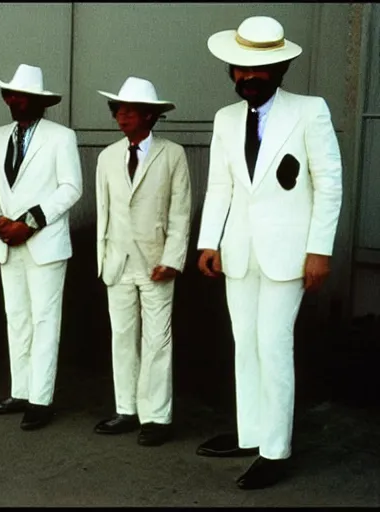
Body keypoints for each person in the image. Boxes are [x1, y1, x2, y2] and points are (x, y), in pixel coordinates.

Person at [196, 16, 342, 489]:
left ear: (281, 69)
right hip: (239, 249)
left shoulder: (309, 110)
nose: (247, 77)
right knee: (245, 343)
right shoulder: (225, 118)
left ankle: (275, 450)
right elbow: (220, 185)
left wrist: (319, 250)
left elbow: (329, 184)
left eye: (258, 70)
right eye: (240, 69)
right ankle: (250, 433)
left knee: (273, 345)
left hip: (288, 252)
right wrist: (208, 241)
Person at [0, 64, 82, 431]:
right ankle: (19, 391)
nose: (15, 101)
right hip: (7, 241)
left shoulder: (61, 137)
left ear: (40, 102)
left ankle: (41, 399)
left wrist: (30, 223)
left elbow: (71, 188)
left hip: (44, 243)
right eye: (10, 95)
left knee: (44, 320)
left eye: (23, 96)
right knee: (18, 319)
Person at [94, 76, 192, 446]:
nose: (121, 116)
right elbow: (104, 210)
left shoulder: (173, 154)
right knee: (122, 336)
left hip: (156, 263)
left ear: (150, 116)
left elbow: (181, 212)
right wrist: (103, 257)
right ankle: (126, 409)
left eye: (129, 110)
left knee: (157, 340)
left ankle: (157, 416)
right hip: (117, 261)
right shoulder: (106, 157)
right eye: (117, 109)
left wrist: (173, 259)